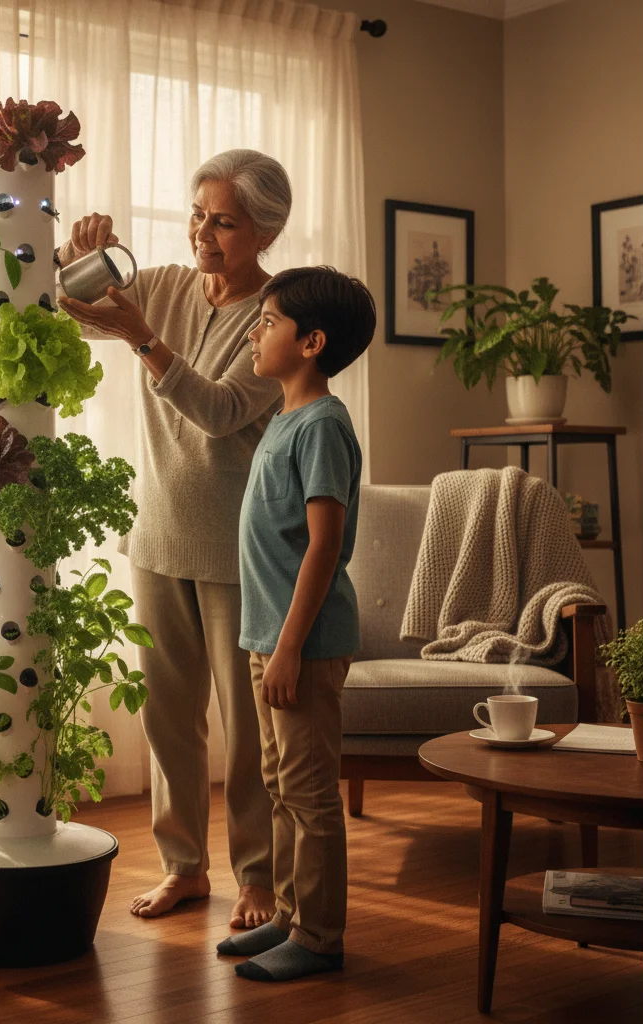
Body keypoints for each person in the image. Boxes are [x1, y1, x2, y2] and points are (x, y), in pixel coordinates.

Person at [57, 150, 291, 928]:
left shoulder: (277, 318)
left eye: (223, 221)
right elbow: (75, 309)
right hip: (157, 538)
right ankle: (184, 867)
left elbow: (223, 410)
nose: (204, 232)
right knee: (168, 717)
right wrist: (78, 255)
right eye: (198, 214)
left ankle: (258, 878)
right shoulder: (160, 284)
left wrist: (144, 339)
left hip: (237, 552)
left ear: (263, 231)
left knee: (249, 733)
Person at [216, 266, 375, 981]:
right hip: (269, 640)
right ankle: (288, 914)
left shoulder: (323, 426)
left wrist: (287, 649)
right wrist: (265, 644)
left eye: (269, 321)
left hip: (301, 647)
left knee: (310, 795)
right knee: (278, 783)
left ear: (310, 342)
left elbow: (324, 545)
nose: (255, 330)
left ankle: (319, 938)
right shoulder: (283, 418)